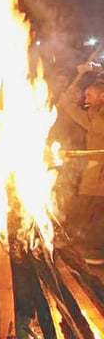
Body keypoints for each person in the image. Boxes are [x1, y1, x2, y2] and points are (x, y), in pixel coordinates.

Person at [57, 76, 104, 265]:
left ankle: (96, 251)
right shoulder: (92, 116)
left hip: (100, 175)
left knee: (95, 212)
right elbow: (66, 105)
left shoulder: (98, 118)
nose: (85, 98)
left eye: (90, 95)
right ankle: (85, 245)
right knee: (85, 209)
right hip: (92, 174)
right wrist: (78, 78)